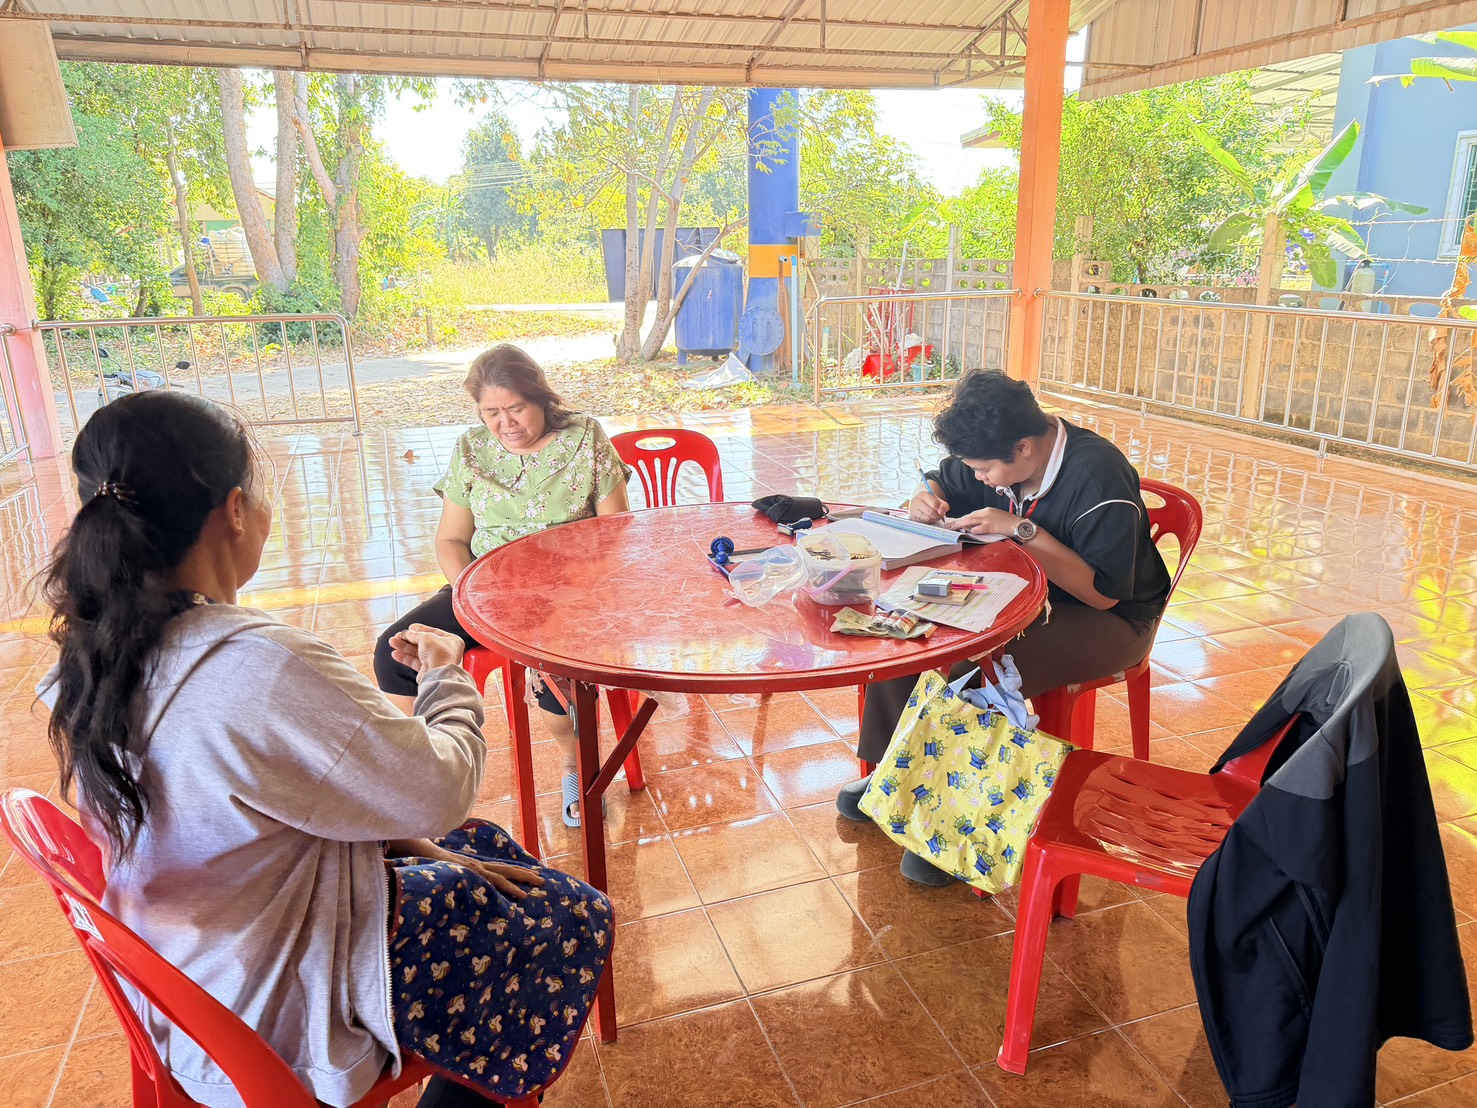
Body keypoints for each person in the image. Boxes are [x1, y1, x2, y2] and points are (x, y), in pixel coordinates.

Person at [39, 390, 612, 1108]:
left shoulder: (92, 651)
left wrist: (431, 852)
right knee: (567, 918)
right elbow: (440, 792)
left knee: (482, 851)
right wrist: (445, 677)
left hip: (192, 976)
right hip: (283, 1003)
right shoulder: (258, 667)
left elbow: (271, 799)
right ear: (236, 510)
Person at [837, 370, 1171, 886]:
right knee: (907, 637)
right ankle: (891, 775)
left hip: (1108, 617)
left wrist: (1020, 529)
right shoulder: (998, 451)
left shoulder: (1097, 477)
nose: (981, 478)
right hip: (1023, 594)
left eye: (986, 469)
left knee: (979, 668)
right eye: (976, 468)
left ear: (1024, 448)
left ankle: (950, 825)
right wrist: (925, 494)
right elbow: (947, 475)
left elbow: (1103, 593)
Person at [374, 344, 631, 828]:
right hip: (485, 590)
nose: (505, 423)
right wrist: (476, 596)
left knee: (557, 670)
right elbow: (451, 540)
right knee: (396, 651)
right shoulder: (472, 450)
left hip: (571, 591)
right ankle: (423, 776)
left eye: (516, 408)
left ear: (542, 400)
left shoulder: (584, 438)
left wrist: (566, 595)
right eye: (490, 412)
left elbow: (615, 533)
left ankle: (575, 766)